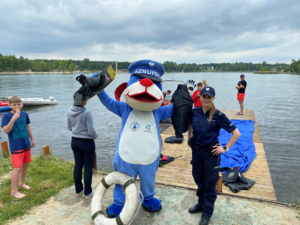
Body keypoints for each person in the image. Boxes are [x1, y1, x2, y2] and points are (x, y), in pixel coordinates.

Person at [187, 87, 240, 225]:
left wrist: (225, 148)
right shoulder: (195, 112)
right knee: (199, 179)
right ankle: (200, 204)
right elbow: (190, 125)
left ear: (213, 98)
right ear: (200, 96)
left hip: (212, 153)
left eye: (209, 97)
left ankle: (207, 212)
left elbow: (236, 133)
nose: (206, 99)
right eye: (204, 96)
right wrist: (189, 138)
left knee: (210, 182)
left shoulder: (218, 115)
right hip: (197, 152)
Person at [1, 96, 35, 199]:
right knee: (17, 168)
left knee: (25, 165)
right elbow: (6, 130)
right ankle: (14, 191)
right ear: (10, 105)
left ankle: (22, 183)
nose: (17, 106)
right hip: (16, 147)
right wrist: (13, 118)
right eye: (14, 104)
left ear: (22, 105)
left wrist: (32, 139)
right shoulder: (6, 116)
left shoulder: (24, 114)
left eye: (19, 104)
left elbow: (27, 127)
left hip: (25, 144)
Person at [67, 94, 98, 199]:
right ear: (85, 101)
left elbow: (69, 127)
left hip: (74, 141)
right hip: (87, 142)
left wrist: (77, 131)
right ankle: (88, 192)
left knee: (78, 166)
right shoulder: (86, 113)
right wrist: (96, 136)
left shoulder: (69, 111)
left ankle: (79, 190)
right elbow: (91, 131)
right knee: (88, 167)